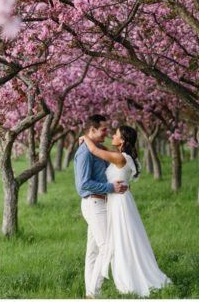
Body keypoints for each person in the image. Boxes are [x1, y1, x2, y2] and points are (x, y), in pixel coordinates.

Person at [81, 126, 171, 297]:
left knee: (117, 241)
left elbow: (93, 149)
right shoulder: (123, 157)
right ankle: (96, 289)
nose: (112, 135)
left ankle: (95, 292)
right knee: (123, 240)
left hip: (118, 202)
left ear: (122, 140)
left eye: (116, 134)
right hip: (119, 200)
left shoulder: (120, 158)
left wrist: (85, 137)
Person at [74, 114, 128, 298]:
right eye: (104, 129)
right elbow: (83, 185)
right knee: (107, 248)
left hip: (102, 203)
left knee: (94, 250)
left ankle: (90, 292)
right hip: (94, 203)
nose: (107, 132)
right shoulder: (84, 152)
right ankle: (93, 294)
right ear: (92, 130)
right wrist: (111, 187)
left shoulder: (98, 148)